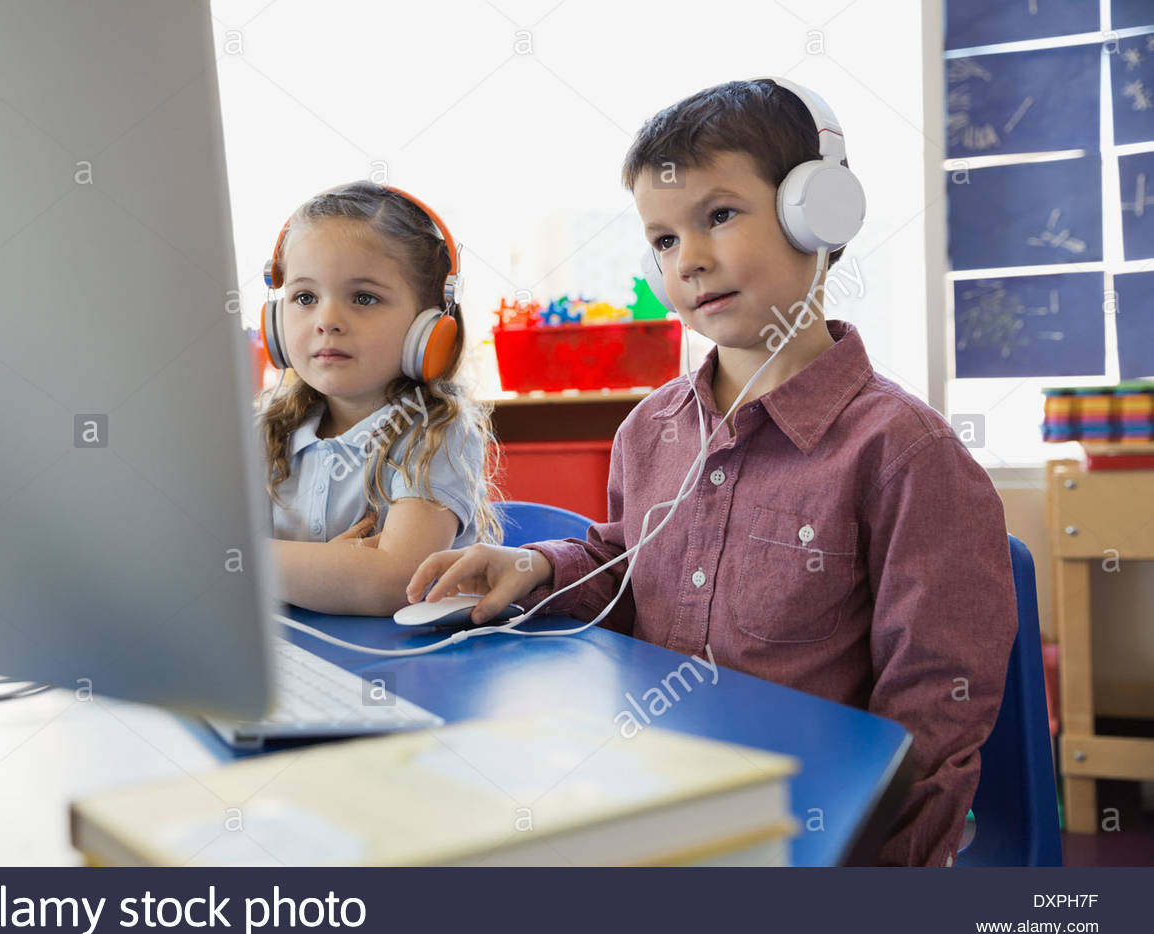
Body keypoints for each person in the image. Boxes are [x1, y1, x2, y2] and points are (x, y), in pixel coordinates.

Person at [405, 80, 1016, 866]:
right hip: (654, 798)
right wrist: (532, 567)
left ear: (817, 213)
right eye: (662, 240)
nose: (688, 258)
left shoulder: (907, 455)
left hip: (806, 837)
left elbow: (934, 718)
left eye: (719, 217)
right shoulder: (648, 432)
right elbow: (624, 567)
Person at [259, 181, 500, 616]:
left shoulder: (435, 430)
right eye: (305, 297)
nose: (327, 320)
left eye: (364, 298)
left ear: (430, 326)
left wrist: (248, 561)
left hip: (416, 671)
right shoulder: (265, 431)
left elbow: (396, 581)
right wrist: (333, 569)